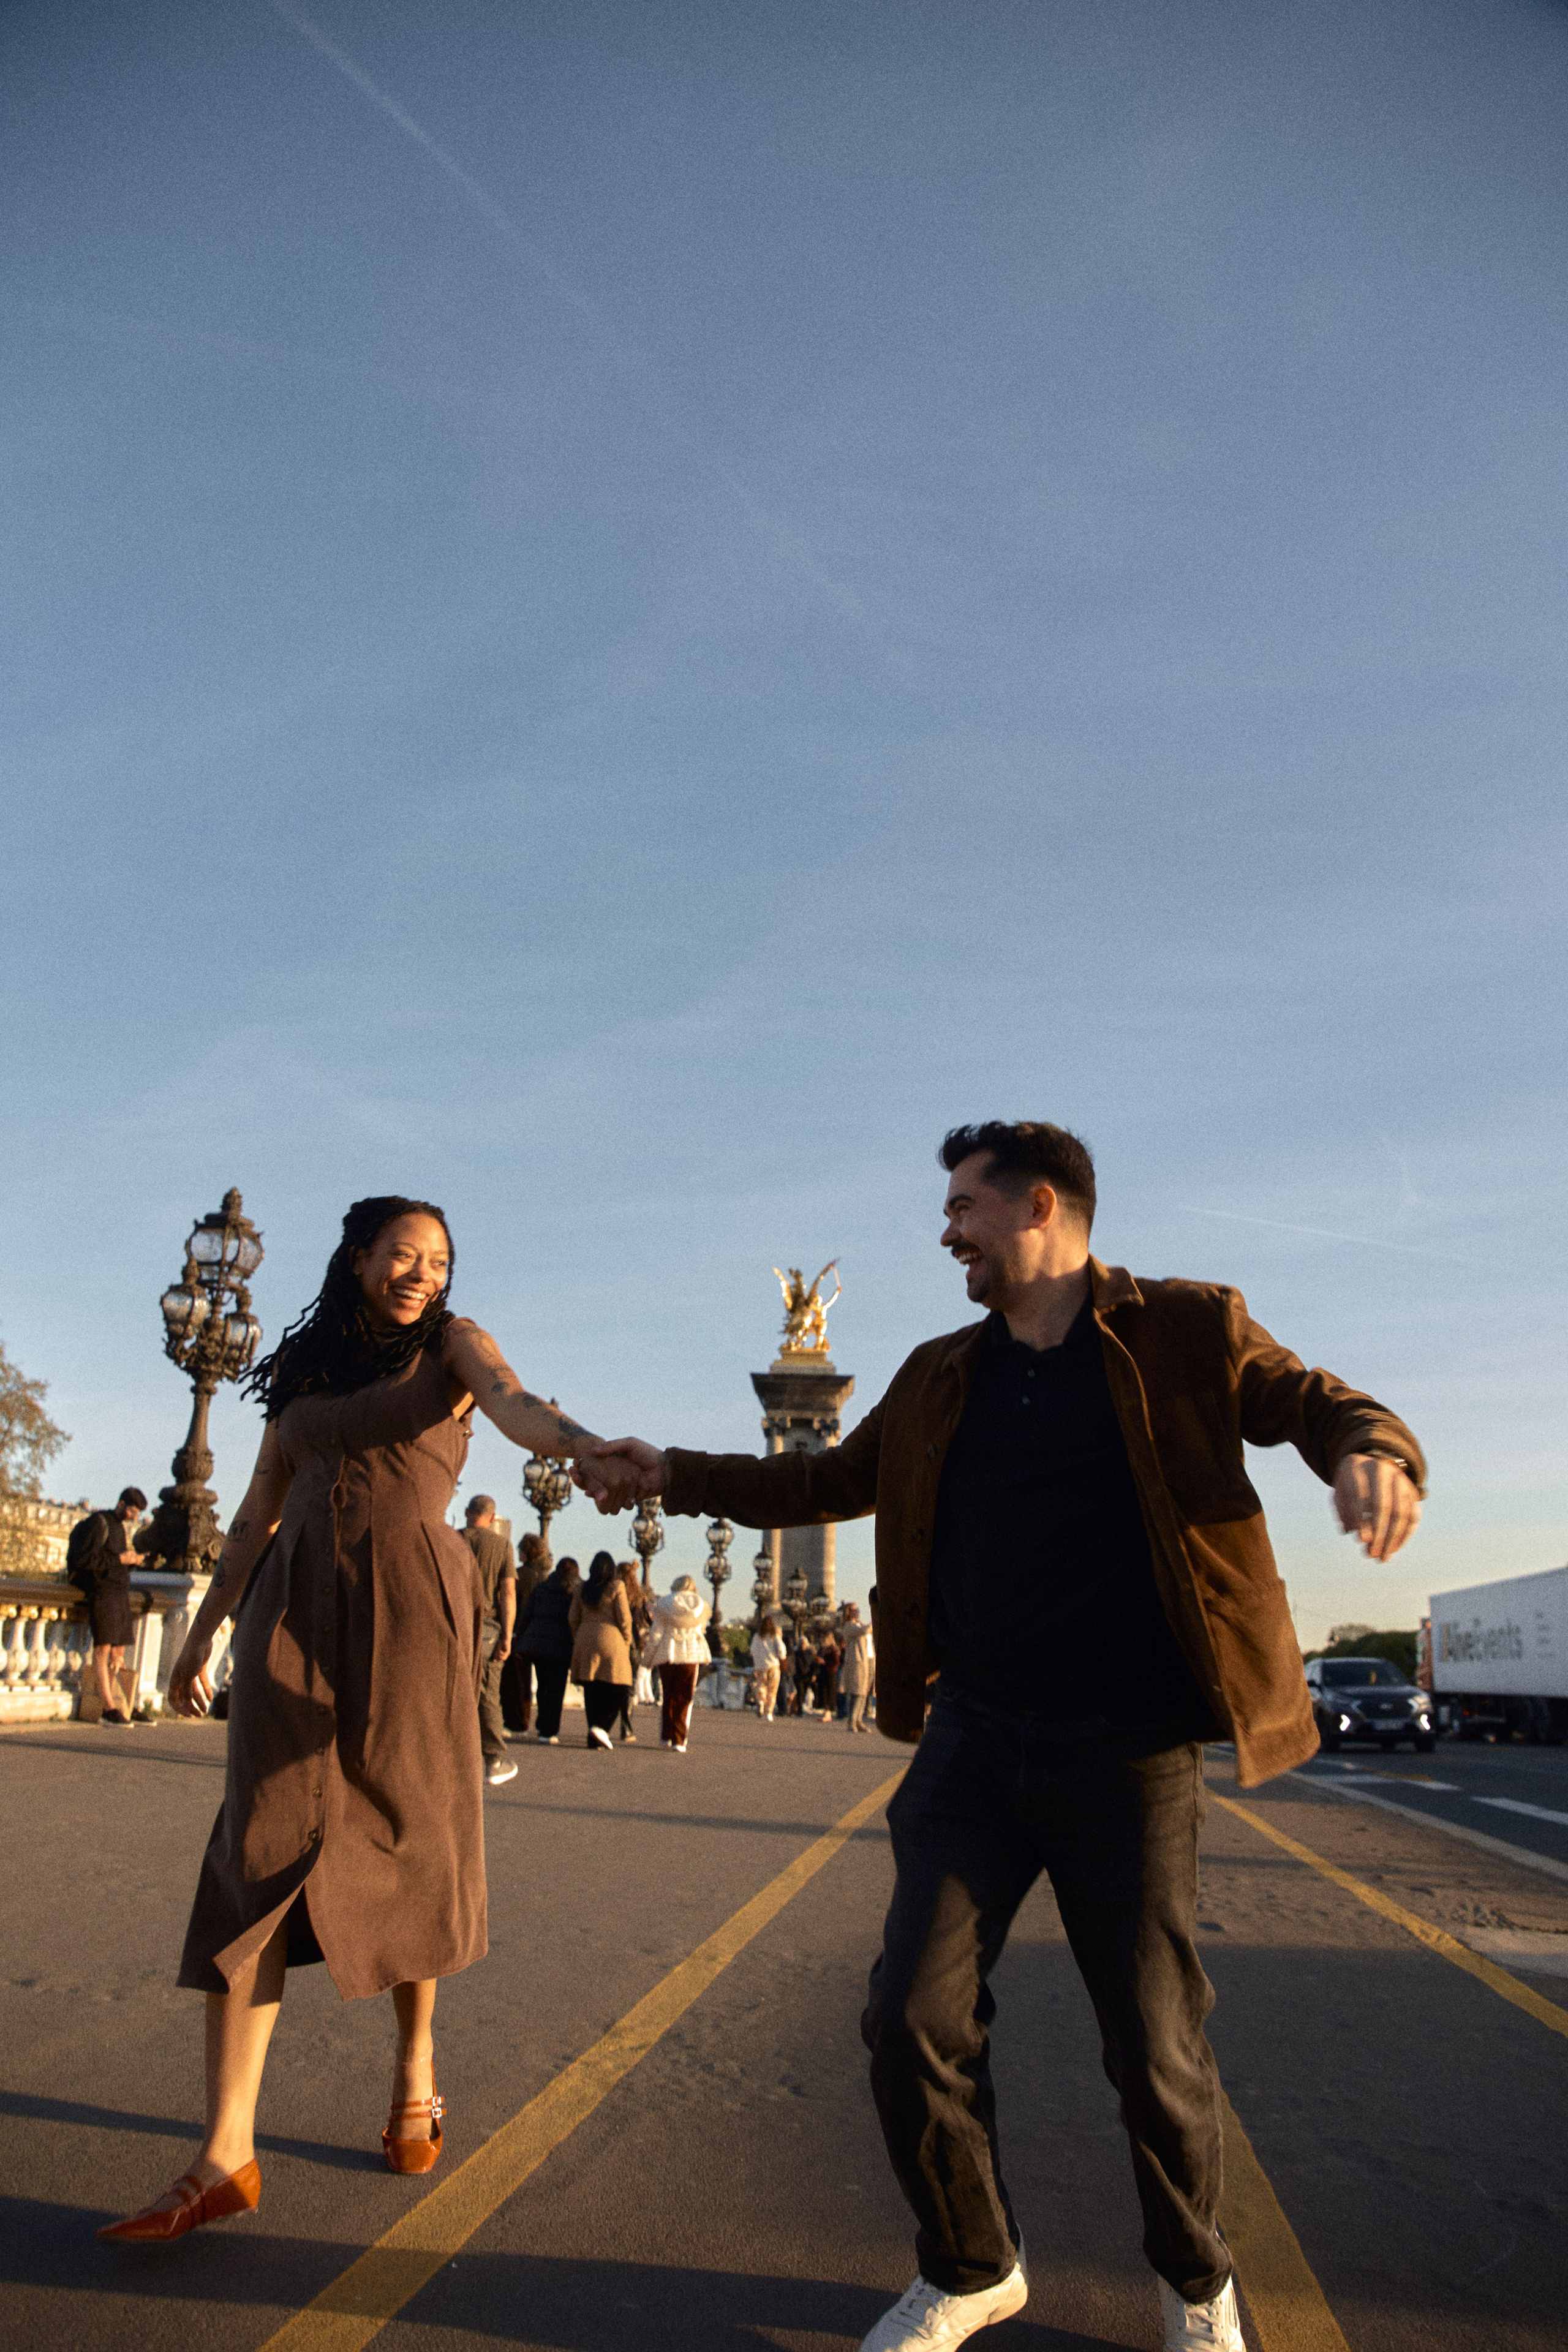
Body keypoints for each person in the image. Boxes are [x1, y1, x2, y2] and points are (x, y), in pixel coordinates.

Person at [577, 1119, 1424, 2352]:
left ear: (1039, 1208)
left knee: (1152, 2044)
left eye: (963, 1209)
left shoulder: (1181, 1329)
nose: (943, 1231)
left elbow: (1311, 1399)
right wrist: (669, 1470)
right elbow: (818, 1484)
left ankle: (1195, 2288)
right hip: (974, 1738)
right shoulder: (935, 1375)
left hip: (1126, 1749)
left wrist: (1371, 1450)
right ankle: (972, 2263)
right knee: (908, 2018)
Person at [100, 1194, 618, 2244]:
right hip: (291, 1616)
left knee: (408, 1839)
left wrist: (587, 1446)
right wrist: (202, 1636)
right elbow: (253, 1518)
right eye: (402, 1253)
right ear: (358, 1258)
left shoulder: (454, 1348)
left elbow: (517, 1408)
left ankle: (416, 2067)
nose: (420, 1271)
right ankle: (225, 2154)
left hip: (410, 1615)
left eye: (438, 1259)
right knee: (257, 1850)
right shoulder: (300, 1377)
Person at [67, 1487, 148, 1724]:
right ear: (122, 1504)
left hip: (119, 1593)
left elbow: (112, 1562)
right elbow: (85, 1560)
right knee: (103, 1650)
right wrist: (120, 1559)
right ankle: (108, 1708)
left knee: (119, 1652)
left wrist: (131, 1562)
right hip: (103, 1593)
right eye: (133, 1511)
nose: (135, 1517)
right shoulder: (99, 1523)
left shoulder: (119, 1528)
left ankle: (124, 1704)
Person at [461, 1494, 518, 1788]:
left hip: (451, 1623)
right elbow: (507, 1593)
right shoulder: (501, 1546)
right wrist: (507, 1635)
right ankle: (494, 1759)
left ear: (468, 1512)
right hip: (486, 1628)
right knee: (487, 1691)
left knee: (453, 1691)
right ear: (493, 1518)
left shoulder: (452, 1539)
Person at [569, 1550, 633, 1751]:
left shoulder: (581, 1589)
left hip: (585, 1638)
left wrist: (580, 1635)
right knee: (619, 1687)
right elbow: (624, 1618)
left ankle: (594, 1735)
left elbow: (572, 1618)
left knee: (592, 1688)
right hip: (611, 1638)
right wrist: (627, 1639)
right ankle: (602, 1728)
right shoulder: (617, 1586)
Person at [643, 1575, 710, 1751]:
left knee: (669, 1696)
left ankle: (666, 1736)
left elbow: (656, 1635)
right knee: (685, 1698)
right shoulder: (700, 1606)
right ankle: (679, 1740)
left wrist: (648, 1660)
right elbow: (700, 1633)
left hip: (668, 1654)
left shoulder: (664, 1603)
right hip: (691, 1656)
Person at [515, 1556, 578, 1742]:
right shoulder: (573, 1592)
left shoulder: (541, 1588)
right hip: (562, 1646)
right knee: (557, 1689)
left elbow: (527, 1615)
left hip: (538, 1646)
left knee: (543, 1686)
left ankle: (543, 1724)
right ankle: (549, 1730)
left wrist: (522, 1638)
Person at [501, 1532, 550, 1733]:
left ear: (525, 1552)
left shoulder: (520, 1576)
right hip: (540, 1636)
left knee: (516, 1681)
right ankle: (534, 1721)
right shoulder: (545, 1577)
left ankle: (517, 1721)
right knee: (533, 1682)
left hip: (519, 1635)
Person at [617, 1561, 652, 1739]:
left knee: (612, 1683)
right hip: (636, 1647)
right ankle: (627, 1728)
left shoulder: (613, 1594)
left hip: (617, 1644)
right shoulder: (641, 1599)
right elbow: (650, 1621)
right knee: (629, 1686)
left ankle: (603, 1725)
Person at [839, 1604, 875, 1733]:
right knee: (857, 1691)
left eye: (857, 1609)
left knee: (865, 1692)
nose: (857, 1612)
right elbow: (864, 1631)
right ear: (848, 1612)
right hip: (858, 1662)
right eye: (854, 1610)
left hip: (869, 1660)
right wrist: (875, 1621)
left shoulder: (860, 1624)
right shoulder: (849, 1626)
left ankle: (859, 1720)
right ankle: (852, 1721)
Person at [750, 1616, 786, 1721]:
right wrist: (782, 1658)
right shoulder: (774, 1636)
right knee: (772, 1690)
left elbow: (752, 1651)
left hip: (760, 1667)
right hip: (773, 1666)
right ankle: (769, 1713)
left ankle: (761, 1701)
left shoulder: (757, 1636)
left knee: (761, 1686)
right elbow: (781, 1650)